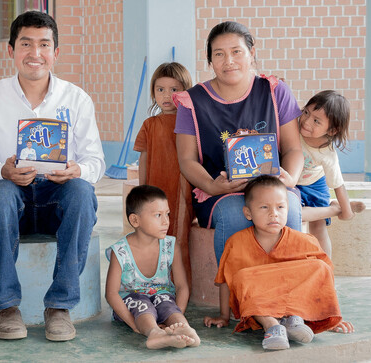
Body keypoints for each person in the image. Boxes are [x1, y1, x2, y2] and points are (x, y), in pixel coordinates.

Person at [0, 11, 105, 341]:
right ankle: (6, 306)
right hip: (12, 203)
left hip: (58, 200)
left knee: (83, 192)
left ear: (56, 52)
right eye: (26, 43)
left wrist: (77, 169)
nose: (35, 53)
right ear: (10, 50)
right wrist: (2, 170)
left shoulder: (76, 99)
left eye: (44, 44)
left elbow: (95, 161)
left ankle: (60, 306)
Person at [173, 21, 304, 265]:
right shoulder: (192, 101)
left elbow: (294, 149)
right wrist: (212, 186)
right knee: (236, 214)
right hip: (221, 192)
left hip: (271, 185)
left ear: (252, 53)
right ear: (210, 60)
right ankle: (239, 296)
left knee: (290, 209)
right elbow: (186, 160)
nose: (228, 61)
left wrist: (291, 178)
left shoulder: (275, 91)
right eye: (219, 54)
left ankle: (287, 292)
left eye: (236, 51)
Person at [204, 175, 352, 350]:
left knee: (320, 267)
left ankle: (294, 319)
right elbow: (226, 281)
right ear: (248, 213)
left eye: (280, 207)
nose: (273, 213)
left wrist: (328, 318)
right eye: (264, 207)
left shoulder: (304, 240)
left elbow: (322, 281)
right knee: (241, 276)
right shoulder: (236, 243)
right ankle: (272, 326)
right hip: (259, 304)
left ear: (288, 209)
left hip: (294, 302)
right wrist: (223, 316)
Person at [105, 185, 200, 349]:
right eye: (158, 215)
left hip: (161, 296)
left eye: (167, 214)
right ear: (135, 220)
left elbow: (182, 286)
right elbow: (111, 294)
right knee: (142, 304)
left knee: (166, 302)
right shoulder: (120, 252)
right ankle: (154, 334)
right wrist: (134, 325)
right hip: (131, 301)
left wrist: (177, 316)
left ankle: (184, 329)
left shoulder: (170, 246)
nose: (166, 221)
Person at [133, 62, 194, 284]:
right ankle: (152, 282)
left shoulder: (190, 123)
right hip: (155, 189)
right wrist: (142, 190)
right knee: (151, 236)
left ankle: (180, 284)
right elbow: (144, 157)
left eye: (174, 89)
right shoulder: (149, 124)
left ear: (186, 91)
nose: (167, 95)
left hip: (181, 191)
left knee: (178, 238)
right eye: (160, 89)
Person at [295, 90, 366, 256]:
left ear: (333, 130)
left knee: (318, 227)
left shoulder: (327, 153)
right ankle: (334, 209)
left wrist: (347, 214)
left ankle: (326, 267)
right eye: (306, 112)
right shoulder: (294, 126)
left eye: (316, 121)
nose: (306, 121)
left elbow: (338, 184)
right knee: (295, 215)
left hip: (314, 184)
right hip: (293, 183)